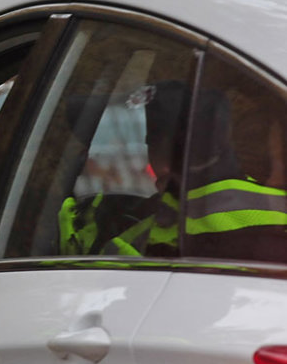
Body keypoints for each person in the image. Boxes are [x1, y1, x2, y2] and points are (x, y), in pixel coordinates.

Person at [59, 80, 287, 259]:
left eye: (136, 143)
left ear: (168, 163)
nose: (110, 156)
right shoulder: (157, 207)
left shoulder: (245, 234)